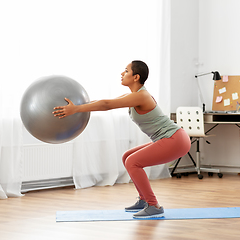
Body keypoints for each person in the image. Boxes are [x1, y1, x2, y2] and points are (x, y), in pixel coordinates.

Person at [53, 60, 191, 218]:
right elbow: (103, 102)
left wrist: (76, 109)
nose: (121, 73)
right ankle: (144, 200)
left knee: (133, 162)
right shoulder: (133, 95)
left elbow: (106, 105)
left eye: (126, 71)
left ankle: (154, 205)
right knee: (127, 157)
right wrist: (77, 105)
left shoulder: (142, 96)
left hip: (175, 139)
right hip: (170, 138)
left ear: (135, 77)